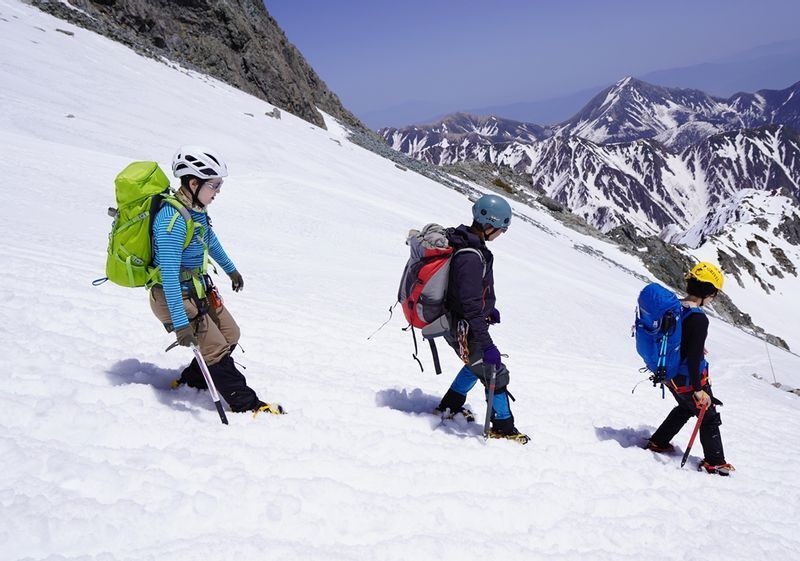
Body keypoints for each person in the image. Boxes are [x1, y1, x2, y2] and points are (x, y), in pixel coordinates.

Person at [148, 145, 283, 416]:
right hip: (173, 297)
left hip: (197, 291)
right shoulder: (171, 221)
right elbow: (169, 277)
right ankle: (246, 405)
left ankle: (194, 380)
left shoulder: (195, 212)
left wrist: (231, 270)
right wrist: (180, 322)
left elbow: (210, 241)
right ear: (194, 182)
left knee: (231, 334)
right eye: (215, 185)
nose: (218, 191)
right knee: (217, 348)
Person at [434, 194, 529, 444]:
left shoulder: (469, 245)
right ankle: (503, 427)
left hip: (461, 322)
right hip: (463, 326)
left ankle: (450, 405)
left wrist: (489, 309)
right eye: (500, 228)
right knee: (495, 372)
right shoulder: (470, 255)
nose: (501, 234)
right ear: (490, 224)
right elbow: (469, 305)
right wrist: (487, 345)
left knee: (475, 364)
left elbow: (470, 296)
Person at [646, 262, 734, 475]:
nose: (714, 298)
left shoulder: (675, 307)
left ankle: (659, 442)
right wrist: (698, 388)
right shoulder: (698, 318)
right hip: (688, 379)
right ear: (708, 292)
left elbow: (680, 341)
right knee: (709, 417)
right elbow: (693, 359)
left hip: (671, 375)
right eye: (714, 294)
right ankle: (715, 462)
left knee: (685, 408)